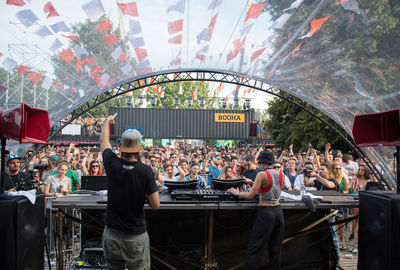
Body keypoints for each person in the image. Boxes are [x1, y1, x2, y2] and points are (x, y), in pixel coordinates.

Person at [100, 113, 160, 270]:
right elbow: (155, 205)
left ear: (121, 146)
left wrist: (107, 122)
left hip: (112, 235)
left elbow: (103, 141)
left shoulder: (111, 163)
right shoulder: (145, 171)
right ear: (139, 148)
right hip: (135, 237)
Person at [228, 151, 285, 270]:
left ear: (262, 163)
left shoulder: (262, 174)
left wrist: (237, 193)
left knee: (256, 247)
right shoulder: (281, 174)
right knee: (275, 248)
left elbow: (250, 195)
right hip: (279, 212)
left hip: (266, 212)